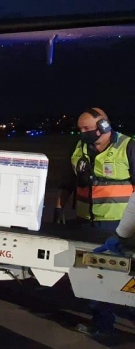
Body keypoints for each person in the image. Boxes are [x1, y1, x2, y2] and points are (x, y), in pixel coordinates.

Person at [53, 107, 135, 336]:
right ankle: (102, 325)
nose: (82, 133)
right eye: (80, 129)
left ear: (104, 126)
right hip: (85, 223)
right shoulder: (80, 148)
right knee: (91, 276)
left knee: (126, 278)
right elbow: (68, 182)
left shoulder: (128, 147)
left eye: (87, 128)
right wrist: (59, 208)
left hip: (119, 226)